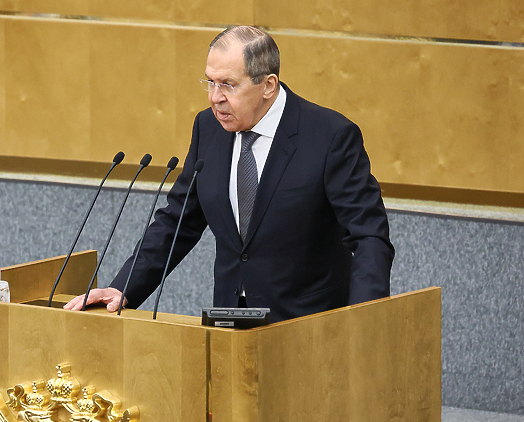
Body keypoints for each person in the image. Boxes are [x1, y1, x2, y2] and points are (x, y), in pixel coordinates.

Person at [65, 26, 394, 323]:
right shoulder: (208, 128)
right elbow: (178, 221)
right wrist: (124, 287)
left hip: (307, 326)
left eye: (228, 85)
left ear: (268, 86)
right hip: (229, 323)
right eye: (209, 81)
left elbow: (369, 236)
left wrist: (362, 321)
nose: (214, 97)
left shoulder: (329, 136)